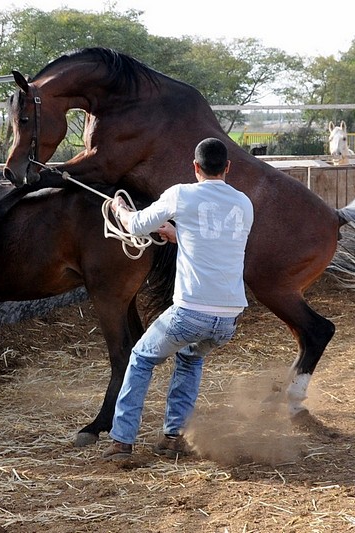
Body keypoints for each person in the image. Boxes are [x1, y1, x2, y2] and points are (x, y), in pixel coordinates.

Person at [102, 137, 254, 461]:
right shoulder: (244, 203)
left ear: (195, 167)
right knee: (189, 358)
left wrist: (120, 209)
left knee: (141, 357)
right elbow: (219, 242)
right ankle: (174, 438)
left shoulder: (181, 194)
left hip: (191, 313)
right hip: (228, 319)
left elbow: (137, 224)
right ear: (227, 167)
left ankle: (121, 442)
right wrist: (177, 234)